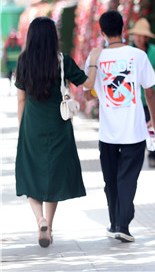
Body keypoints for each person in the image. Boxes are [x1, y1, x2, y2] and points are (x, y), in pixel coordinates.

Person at [15, 17, 102, 247]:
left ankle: (40, 220)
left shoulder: (24, 62)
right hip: (58, 126)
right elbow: (89, 84)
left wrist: (22, 129)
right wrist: (93, 61)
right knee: (53, 176)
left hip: (32, 126)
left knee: (31, 174)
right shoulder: (63, 61)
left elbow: (21, 100)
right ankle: (50, 228)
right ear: (53, 37)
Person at [84, 10, 155, 243]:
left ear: (102, 31)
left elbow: (87, 96)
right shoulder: (137, 55)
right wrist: (153, 121)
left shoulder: (95, 57)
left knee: (111, 180)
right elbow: (149, 91)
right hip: (134, 131)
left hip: (107, 132)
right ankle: (122, 224)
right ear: (123, 29)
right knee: (127, 178)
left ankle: (116, 222)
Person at [128, 18, 155, 168]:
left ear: (147, 37)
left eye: (142, 35)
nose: (138, 38)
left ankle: (152, 155)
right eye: (136, 35)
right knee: (135, 128)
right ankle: (134, 157)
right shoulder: (128, 51)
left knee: (151, 127)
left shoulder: (154, 51)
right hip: (133, 97)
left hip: (150, 96)